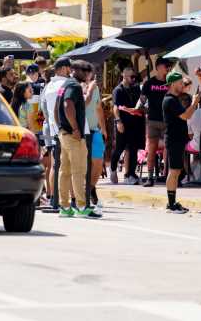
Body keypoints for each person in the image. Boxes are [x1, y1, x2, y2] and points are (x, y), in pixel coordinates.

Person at [56, 60, 96, 218]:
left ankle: (64, 207)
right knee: (78, 171)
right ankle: (81, 207)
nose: (87, 75)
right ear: (76, 70)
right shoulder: (74, 85)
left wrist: (61, 127)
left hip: (63, 134)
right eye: (85, 71)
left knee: (64, 171)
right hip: (72, 135)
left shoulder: (64, 85)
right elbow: (67, 105)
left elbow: (56, 108)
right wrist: (75, 129)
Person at [162, 71, 199, 213]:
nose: (181, 85)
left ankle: (172, 202)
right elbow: (186, 115)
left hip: (177, 139)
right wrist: (195, 102)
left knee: (176, 170)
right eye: (179, 82)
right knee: (174, 171)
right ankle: (171, 204)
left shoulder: (174, 99)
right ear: (172, 84)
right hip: (173, 139)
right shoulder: (170, 100)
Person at [41, 58, 72, 212]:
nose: (70, 71)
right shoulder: (67, 84)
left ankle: (53, 199)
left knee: (55, 166)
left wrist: (52, 123)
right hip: (67, 131)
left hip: (53, 130)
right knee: (68, 166)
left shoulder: (48, 86)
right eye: (69, 68)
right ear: (63, 69)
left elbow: (44, 110)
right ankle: (70, 201)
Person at [137, 57, 170, 187]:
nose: (167, 68)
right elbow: (142, 100)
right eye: (164, 66)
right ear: (157, 67)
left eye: (168, 66)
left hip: (167, 120)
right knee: (151, 148)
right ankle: (150, 177)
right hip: (153, 120)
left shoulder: (170, 82)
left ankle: (167, 175)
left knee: (168, 148)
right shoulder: (149, 83)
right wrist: (139, 106)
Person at [110, 67, 143, 185]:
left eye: (134, 76)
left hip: (134, 123)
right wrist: (118, 121)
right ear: (124, 76)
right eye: (131, 77)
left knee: (133, 149)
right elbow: (115, 107)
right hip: (123, 123)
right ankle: (113, 168)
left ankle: (130, 174)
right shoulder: (118, 90)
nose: (133, 79)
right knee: (119, 148)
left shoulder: (135, 89)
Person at [82, 66, 107, 215]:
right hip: (81, 131)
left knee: (98, 162)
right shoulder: (77, 87)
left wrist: (103, 128)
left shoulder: (95, 88)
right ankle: (86, 194)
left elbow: (98, 108)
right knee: (84, 165)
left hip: (94, 130)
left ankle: (90, 188)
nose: (91, 75)